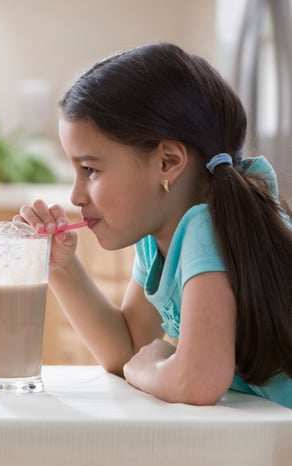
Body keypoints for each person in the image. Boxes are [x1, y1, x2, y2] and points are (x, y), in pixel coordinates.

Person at [15, 43, 292, 408]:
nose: (76, 195)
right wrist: (62, 268)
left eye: (91, 170)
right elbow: (128, 347)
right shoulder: (160, 237)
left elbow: (197, 382)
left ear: (167, 162)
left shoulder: (206, 228)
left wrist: (147, 369)